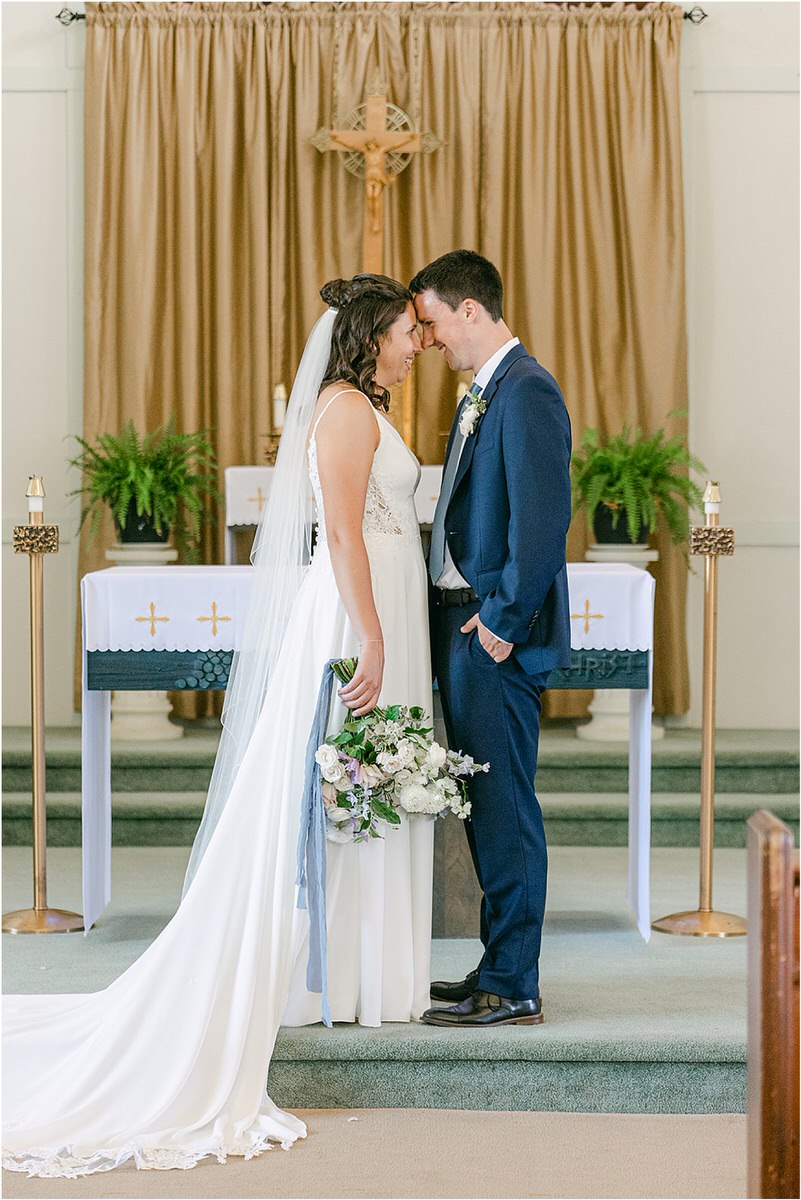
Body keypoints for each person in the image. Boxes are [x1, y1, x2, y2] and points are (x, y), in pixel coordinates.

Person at [2, 274, 431, 1177]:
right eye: (402, 329)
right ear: (368, 336)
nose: (415, 341)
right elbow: (347, 535)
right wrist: (374, 639)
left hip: (379, 600)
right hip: (361, 607)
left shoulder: (359, 402)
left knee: (364, 784)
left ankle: (360, 979)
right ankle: (342, 980)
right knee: (347, 776)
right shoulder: (348, 409)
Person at [409, 250, 572, 1029]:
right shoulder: (485, 391)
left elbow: (542, 525)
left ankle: (514, 983)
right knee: (481, 802)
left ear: (469, 310)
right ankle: (496, 962)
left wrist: (502, 626)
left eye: (434, 321)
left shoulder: (527, 390)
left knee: (503, 804)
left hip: (491, 629)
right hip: (463, 621)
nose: (431, 339)